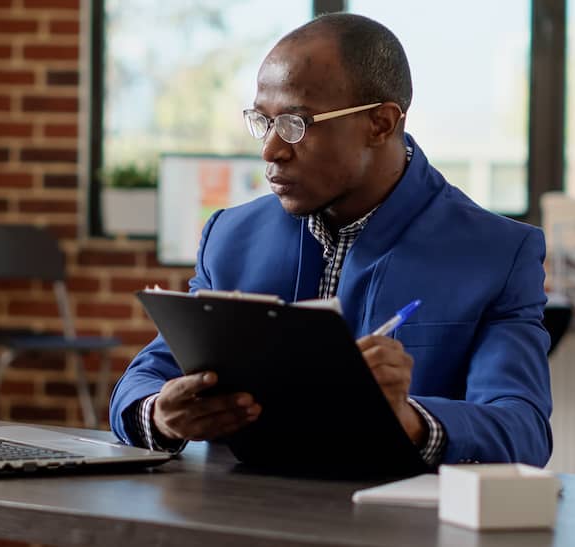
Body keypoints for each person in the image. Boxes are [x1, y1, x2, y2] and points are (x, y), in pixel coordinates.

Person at [109, 12, 552, 468]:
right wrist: (161, 413)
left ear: (381, 123)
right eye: (263, 121)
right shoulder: (231, 238)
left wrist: (410, 419)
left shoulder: (497, 254)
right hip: (242, 518)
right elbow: (145, 379)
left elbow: (523, 430)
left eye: (297, 124)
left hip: (402, 530)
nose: (271, 151)